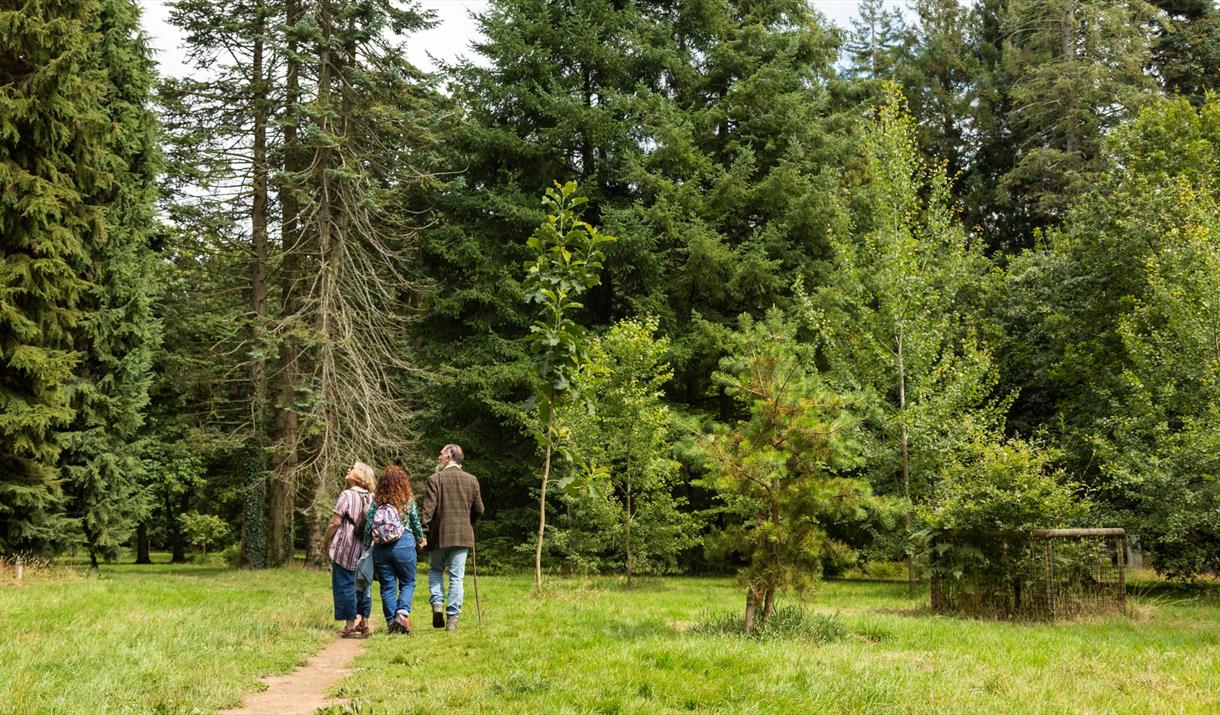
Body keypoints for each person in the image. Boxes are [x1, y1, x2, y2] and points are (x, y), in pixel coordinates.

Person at [420, 443, 484, 631]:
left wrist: (423, 531)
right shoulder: (472, 480)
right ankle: (452, 620)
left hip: (439, 535)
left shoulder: (435, 479)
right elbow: (479, 509)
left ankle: (437, 605)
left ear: (449, 457)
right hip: (462, 535)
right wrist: (467, 522)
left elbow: (428, 509)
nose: (438, 458)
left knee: (435, 571)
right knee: (457, 577)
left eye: (441, 455)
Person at [370, 465, 425, 634]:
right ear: (403, 482)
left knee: (387, 586)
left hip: (380, 547)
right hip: (404, 543)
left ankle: (390, 623)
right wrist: (420, 538)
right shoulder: (407, 499)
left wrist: (367, 545)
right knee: (408, 582)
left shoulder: (376, 500)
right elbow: (415, 521)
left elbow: (368, 525)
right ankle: (401, 614)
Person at [323, 462, 376, 638]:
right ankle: (365, 622)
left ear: (359, 475)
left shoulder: (346, 495)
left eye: (352, 469)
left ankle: (350, 626)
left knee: (345, 584)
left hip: (346, 546)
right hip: (367, 547)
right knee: (364, 584)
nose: (348, 470)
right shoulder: (373, 497)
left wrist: (325, 541)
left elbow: (335, 522)